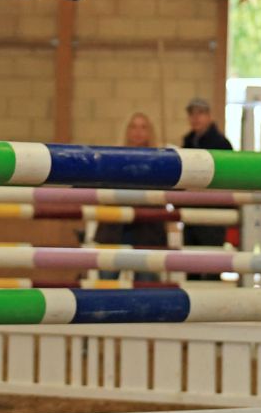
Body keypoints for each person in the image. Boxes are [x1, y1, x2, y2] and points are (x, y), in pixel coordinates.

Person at [94, 113, 165, 280]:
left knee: (146, 284)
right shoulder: (113, 159)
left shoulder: (161, 162)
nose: (138, 131)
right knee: (107, 282)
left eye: (143, 127)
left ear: (150, 132)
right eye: (133, 126)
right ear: (126, 131)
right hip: (114, 229)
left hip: (148, 231)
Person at [179, 98, 233, 273]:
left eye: (200, 113)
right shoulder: (187, 143)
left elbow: (227, 180)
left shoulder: (221, 145)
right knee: (190, 266)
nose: (196, 118)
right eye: (192, 114)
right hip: (191, 213)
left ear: (209, 116)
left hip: (213, 214)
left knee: (212, 266)